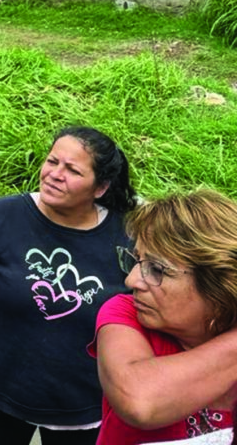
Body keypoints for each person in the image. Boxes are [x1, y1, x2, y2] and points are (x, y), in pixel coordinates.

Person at [0, 126, 137, 445]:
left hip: (86, 399)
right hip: (0, 387)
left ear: (100, 187)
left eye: (73, 170)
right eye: (52, 161)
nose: (54, 174)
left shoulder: (126, 235)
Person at [91, 189, 237, 444]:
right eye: (137, 260)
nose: (131, 280)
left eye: (156, 269)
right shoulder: (124, 312)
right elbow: (140, 400)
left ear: (218, 288)